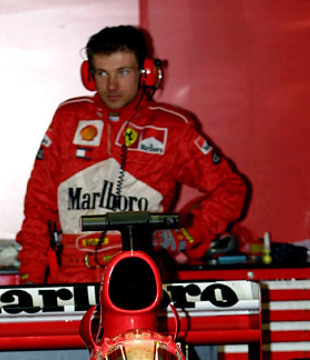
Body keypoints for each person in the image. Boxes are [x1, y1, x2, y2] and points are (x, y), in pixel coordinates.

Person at [16, 25, 246, 284]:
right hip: (71, 273)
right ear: (89, 75)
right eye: (102, 73)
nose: (111, 85)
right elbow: (38, 208)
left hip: (138, 272)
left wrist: (184, 234)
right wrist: (30, 280)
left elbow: (231, 190)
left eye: (122, 72)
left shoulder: (172, 128)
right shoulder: (68, 119)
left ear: (145, 73)